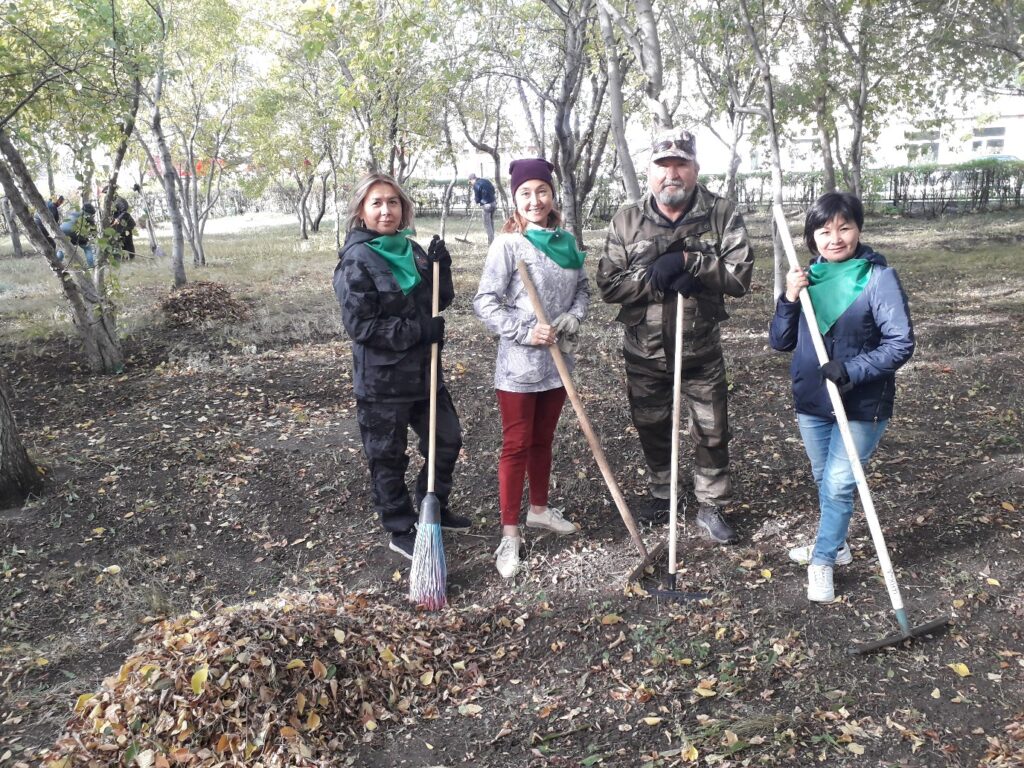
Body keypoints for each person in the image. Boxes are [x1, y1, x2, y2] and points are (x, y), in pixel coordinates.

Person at [597, 129, 754, 544]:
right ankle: (663, 494)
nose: (672, 174)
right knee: (652, 426)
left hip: (700, 351)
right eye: (663, 165)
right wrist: (655, 277)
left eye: (681, 164)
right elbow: (609, 284)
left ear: (695, 169)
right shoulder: (627, 220)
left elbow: (740, 276)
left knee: (712, 430)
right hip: (644, 352)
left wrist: (693, 262)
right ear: (650, 171)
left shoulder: (721, 214)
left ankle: (711, 504)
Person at [769, 191, 914, 602]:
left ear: (858, 230)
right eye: (824, 231)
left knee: (837, 483)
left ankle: (822, 562)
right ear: (811, 237)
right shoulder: (806, 279)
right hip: (813, 401)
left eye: (844, 228)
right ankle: (836, 544)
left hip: (862, 403)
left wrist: (850, 369)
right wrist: (789, 298)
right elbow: (780, 341)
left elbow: (900, 343)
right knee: (825, 479)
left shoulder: (878, 278)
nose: (835, 238)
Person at [333, 172, 470, 560]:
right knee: (387, 456)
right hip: (383, 382)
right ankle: (399, 526)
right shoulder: (356, 261)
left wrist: (442, 267)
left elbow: (438, 301)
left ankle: (433, 508)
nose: (386, 210)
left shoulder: (413, 250)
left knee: (446, 441)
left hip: (426, 376)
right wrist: (420, 330)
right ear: (361, 211)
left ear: (403, 208)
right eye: (376, 203)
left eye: (392, 202)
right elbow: (362, 327)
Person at [473, 158, 590, 578]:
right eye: (525, 193)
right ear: (515, 198)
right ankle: (510, 533)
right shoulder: (509, 245)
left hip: (558, 364)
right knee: (517, 444)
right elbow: (485, 302)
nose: (535, 200)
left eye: (542, 191)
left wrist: (573, 315)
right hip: (520, 366)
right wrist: (526, 330)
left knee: (544, 439)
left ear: (552, 195)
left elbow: (583, 289)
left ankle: (539, 509)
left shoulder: (567, 242)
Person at [467, 172, 498, 245]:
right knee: (491, 223)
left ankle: (491, 243)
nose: (471, 184)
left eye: (470, 182)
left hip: (487, 206)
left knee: (487, 224)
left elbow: (477, 197)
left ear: (472, 179)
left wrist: (477, 201)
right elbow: (493, 190)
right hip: (493, 203)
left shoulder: (476, 185)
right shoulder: (486, 180)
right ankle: (493, 241)